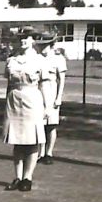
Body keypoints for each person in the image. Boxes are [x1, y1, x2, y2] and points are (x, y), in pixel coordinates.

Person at [3, 26, 45, 192]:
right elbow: (8, 84)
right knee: (17, 139)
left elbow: (44, 85)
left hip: (33, 98)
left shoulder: (40, 60)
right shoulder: (11, 60)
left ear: (33, 39)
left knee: (32, 139)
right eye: (21, 37)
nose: (23, 40)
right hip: (14, 100)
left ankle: (28, 177)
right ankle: (18, 176)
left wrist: (47, 107)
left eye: (27, 37)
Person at [37, 33, 67, 164]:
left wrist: (59, 97)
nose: (43, 48)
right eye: (41, 45)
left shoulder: (58, 59)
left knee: (52, 124)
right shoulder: (36, 58)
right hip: (38, 90)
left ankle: (49, 152)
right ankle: (40, 151)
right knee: (40, 123)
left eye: (45, 45)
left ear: (51, 45)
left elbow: (62, 79)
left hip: (51, 89)